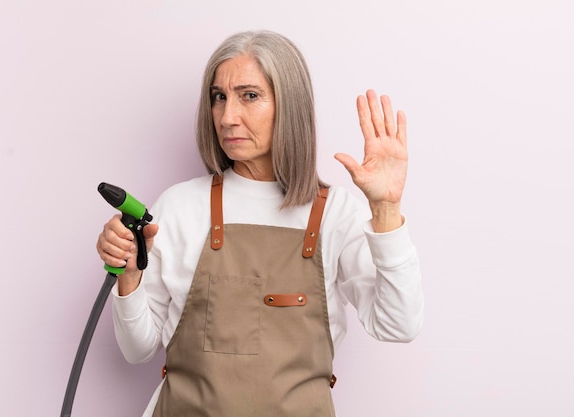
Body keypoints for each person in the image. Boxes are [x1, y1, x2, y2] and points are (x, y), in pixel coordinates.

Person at [96, 30, 424, 417]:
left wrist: (385, 209)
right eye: (219, 97)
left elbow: (398, 325)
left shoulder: (336, 214)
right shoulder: (180, 206)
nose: (228, 117)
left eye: (249, 96)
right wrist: (130, 276)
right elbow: (137, 350)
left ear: (289, 105)